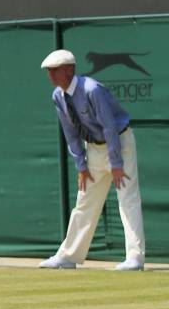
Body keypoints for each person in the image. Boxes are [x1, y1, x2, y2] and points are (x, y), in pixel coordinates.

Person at [38, 50, 144, 271]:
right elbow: (70, 132)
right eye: (49, 72)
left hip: (120, 145)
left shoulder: (92, 90)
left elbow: (109, 127)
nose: (51, 76)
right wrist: (81, 165)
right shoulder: (58, 96)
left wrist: (116, 164)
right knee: (84, 202)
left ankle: (135, 259)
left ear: (69, 70)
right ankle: (68, 256)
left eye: (55, 71)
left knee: (128, 200)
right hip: (93, 150)